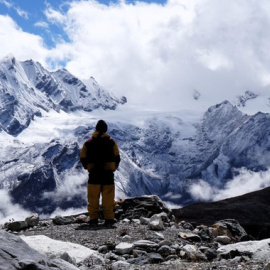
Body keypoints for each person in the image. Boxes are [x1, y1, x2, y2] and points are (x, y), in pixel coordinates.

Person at [80, 120, 120, 225]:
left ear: (96, 129)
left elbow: (83, 157)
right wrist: (114, 167)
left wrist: (87, 167)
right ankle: (109, 218)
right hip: (108, 173)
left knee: (93, 197)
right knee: (108, 197)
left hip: (94, 173)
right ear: (106, 129)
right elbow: (117, 156)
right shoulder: (111, 142)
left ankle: (93, 219)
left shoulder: (88, 142)